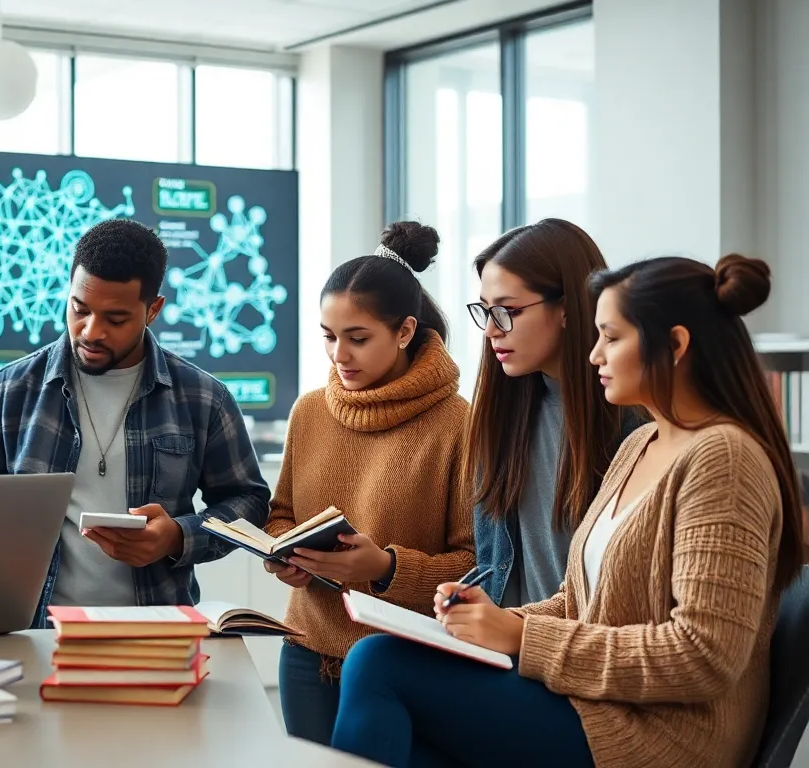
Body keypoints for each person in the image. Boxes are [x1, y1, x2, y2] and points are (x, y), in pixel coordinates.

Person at [330, 253, 805, 768]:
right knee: (405, 723)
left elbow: (702, 656)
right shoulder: (640, 444)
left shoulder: (724, 458)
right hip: (599, 706)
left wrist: (522, 636)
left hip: (664, 737)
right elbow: (581, 602)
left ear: (675, 345)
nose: (594, 354)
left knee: (378, 664)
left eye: (611, 338)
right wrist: (494, 619)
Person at [0, 218, 270, 626]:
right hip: (33, 632)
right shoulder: (9, 391)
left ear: (153, 310)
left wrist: (177, 536)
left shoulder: (203, 398)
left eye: (115, 319)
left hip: (158, 631)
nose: (91, 331)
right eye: (79, 309)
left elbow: (248, 501)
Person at [262, 221, 475, 746]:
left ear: (404, 331)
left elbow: (478, 564)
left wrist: (385, 568)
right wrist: (282, 553)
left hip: (407, 661)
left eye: (358, 339)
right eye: (329, 336)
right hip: (305, 650)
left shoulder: (458, 424)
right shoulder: (309, 411)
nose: (339, 355)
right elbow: (282, 514)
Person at [465, 219, 642, 608]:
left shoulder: (633, 427)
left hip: (570, 639)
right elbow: (495, 569)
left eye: (508, 310)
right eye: (486, 311)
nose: (491, 330)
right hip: (503, 634)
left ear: (566, 307)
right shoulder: (501, 415)